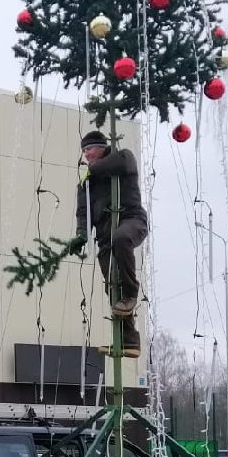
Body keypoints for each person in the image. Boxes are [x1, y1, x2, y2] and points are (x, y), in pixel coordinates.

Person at [74, 128, 147, 356]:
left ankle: (131, 295)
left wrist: (94, 171)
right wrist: (81, 234)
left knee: (122, 238)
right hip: (105, 238)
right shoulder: (86, 184)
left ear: (103, 147)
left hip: (131, 221)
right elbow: (82, 212)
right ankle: (129, 340)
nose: (86, 155)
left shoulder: (123, 158)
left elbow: (122, 163)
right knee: (112, 284)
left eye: (89, 149)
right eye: (83, 151)